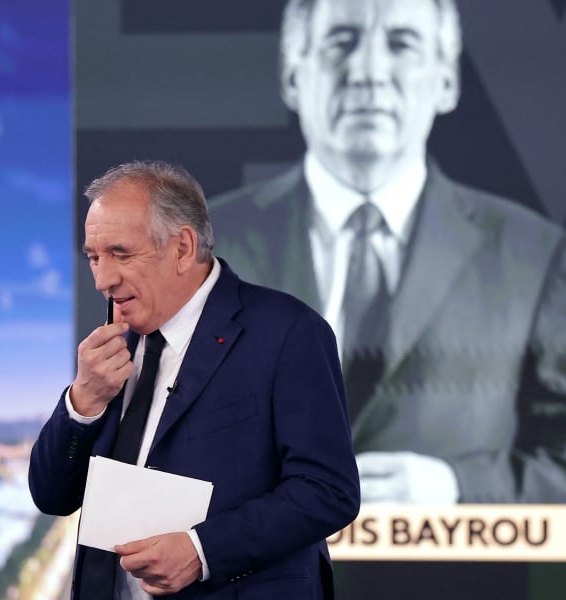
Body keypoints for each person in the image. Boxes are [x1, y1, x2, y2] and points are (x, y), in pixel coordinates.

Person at [209, 0, 566, 504]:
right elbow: (135, 442)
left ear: (446, 81)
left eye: (401, 43)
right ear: (292, 76)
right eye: (341, 41)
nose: (368, 72)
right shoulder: (202, 245)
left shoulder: (536, 257)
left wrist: (457, 489)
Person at [28, 160, 361, 599]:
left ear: (183, 247)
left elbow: (327, 490)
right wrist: (83, 402)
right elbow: (52, 497)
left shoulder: (288, 333)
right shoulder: (112, 349)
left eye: (121, 254)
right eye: (94, 257)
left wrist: (201, 550)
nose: (103, 280)